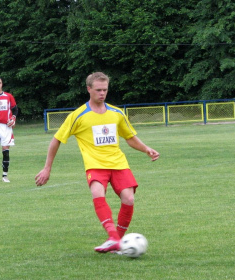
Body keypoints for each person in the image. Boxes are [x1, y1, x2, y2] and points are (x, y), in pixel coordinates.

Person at [34, 72, 159, 253]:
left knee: (129, 199)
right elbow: (56, 140)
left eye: (105, 90)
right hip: (95, 165)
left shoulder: (117, 113)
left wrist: (146, 149)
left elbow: (130, 137)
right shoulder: (78, 115)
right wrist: (47, 168)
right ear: (89, 89)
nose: (102, 93)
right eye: (98, 90)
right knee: (97, 193)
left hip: (118, 163)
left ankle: (117, 241)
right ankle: (114, 239)